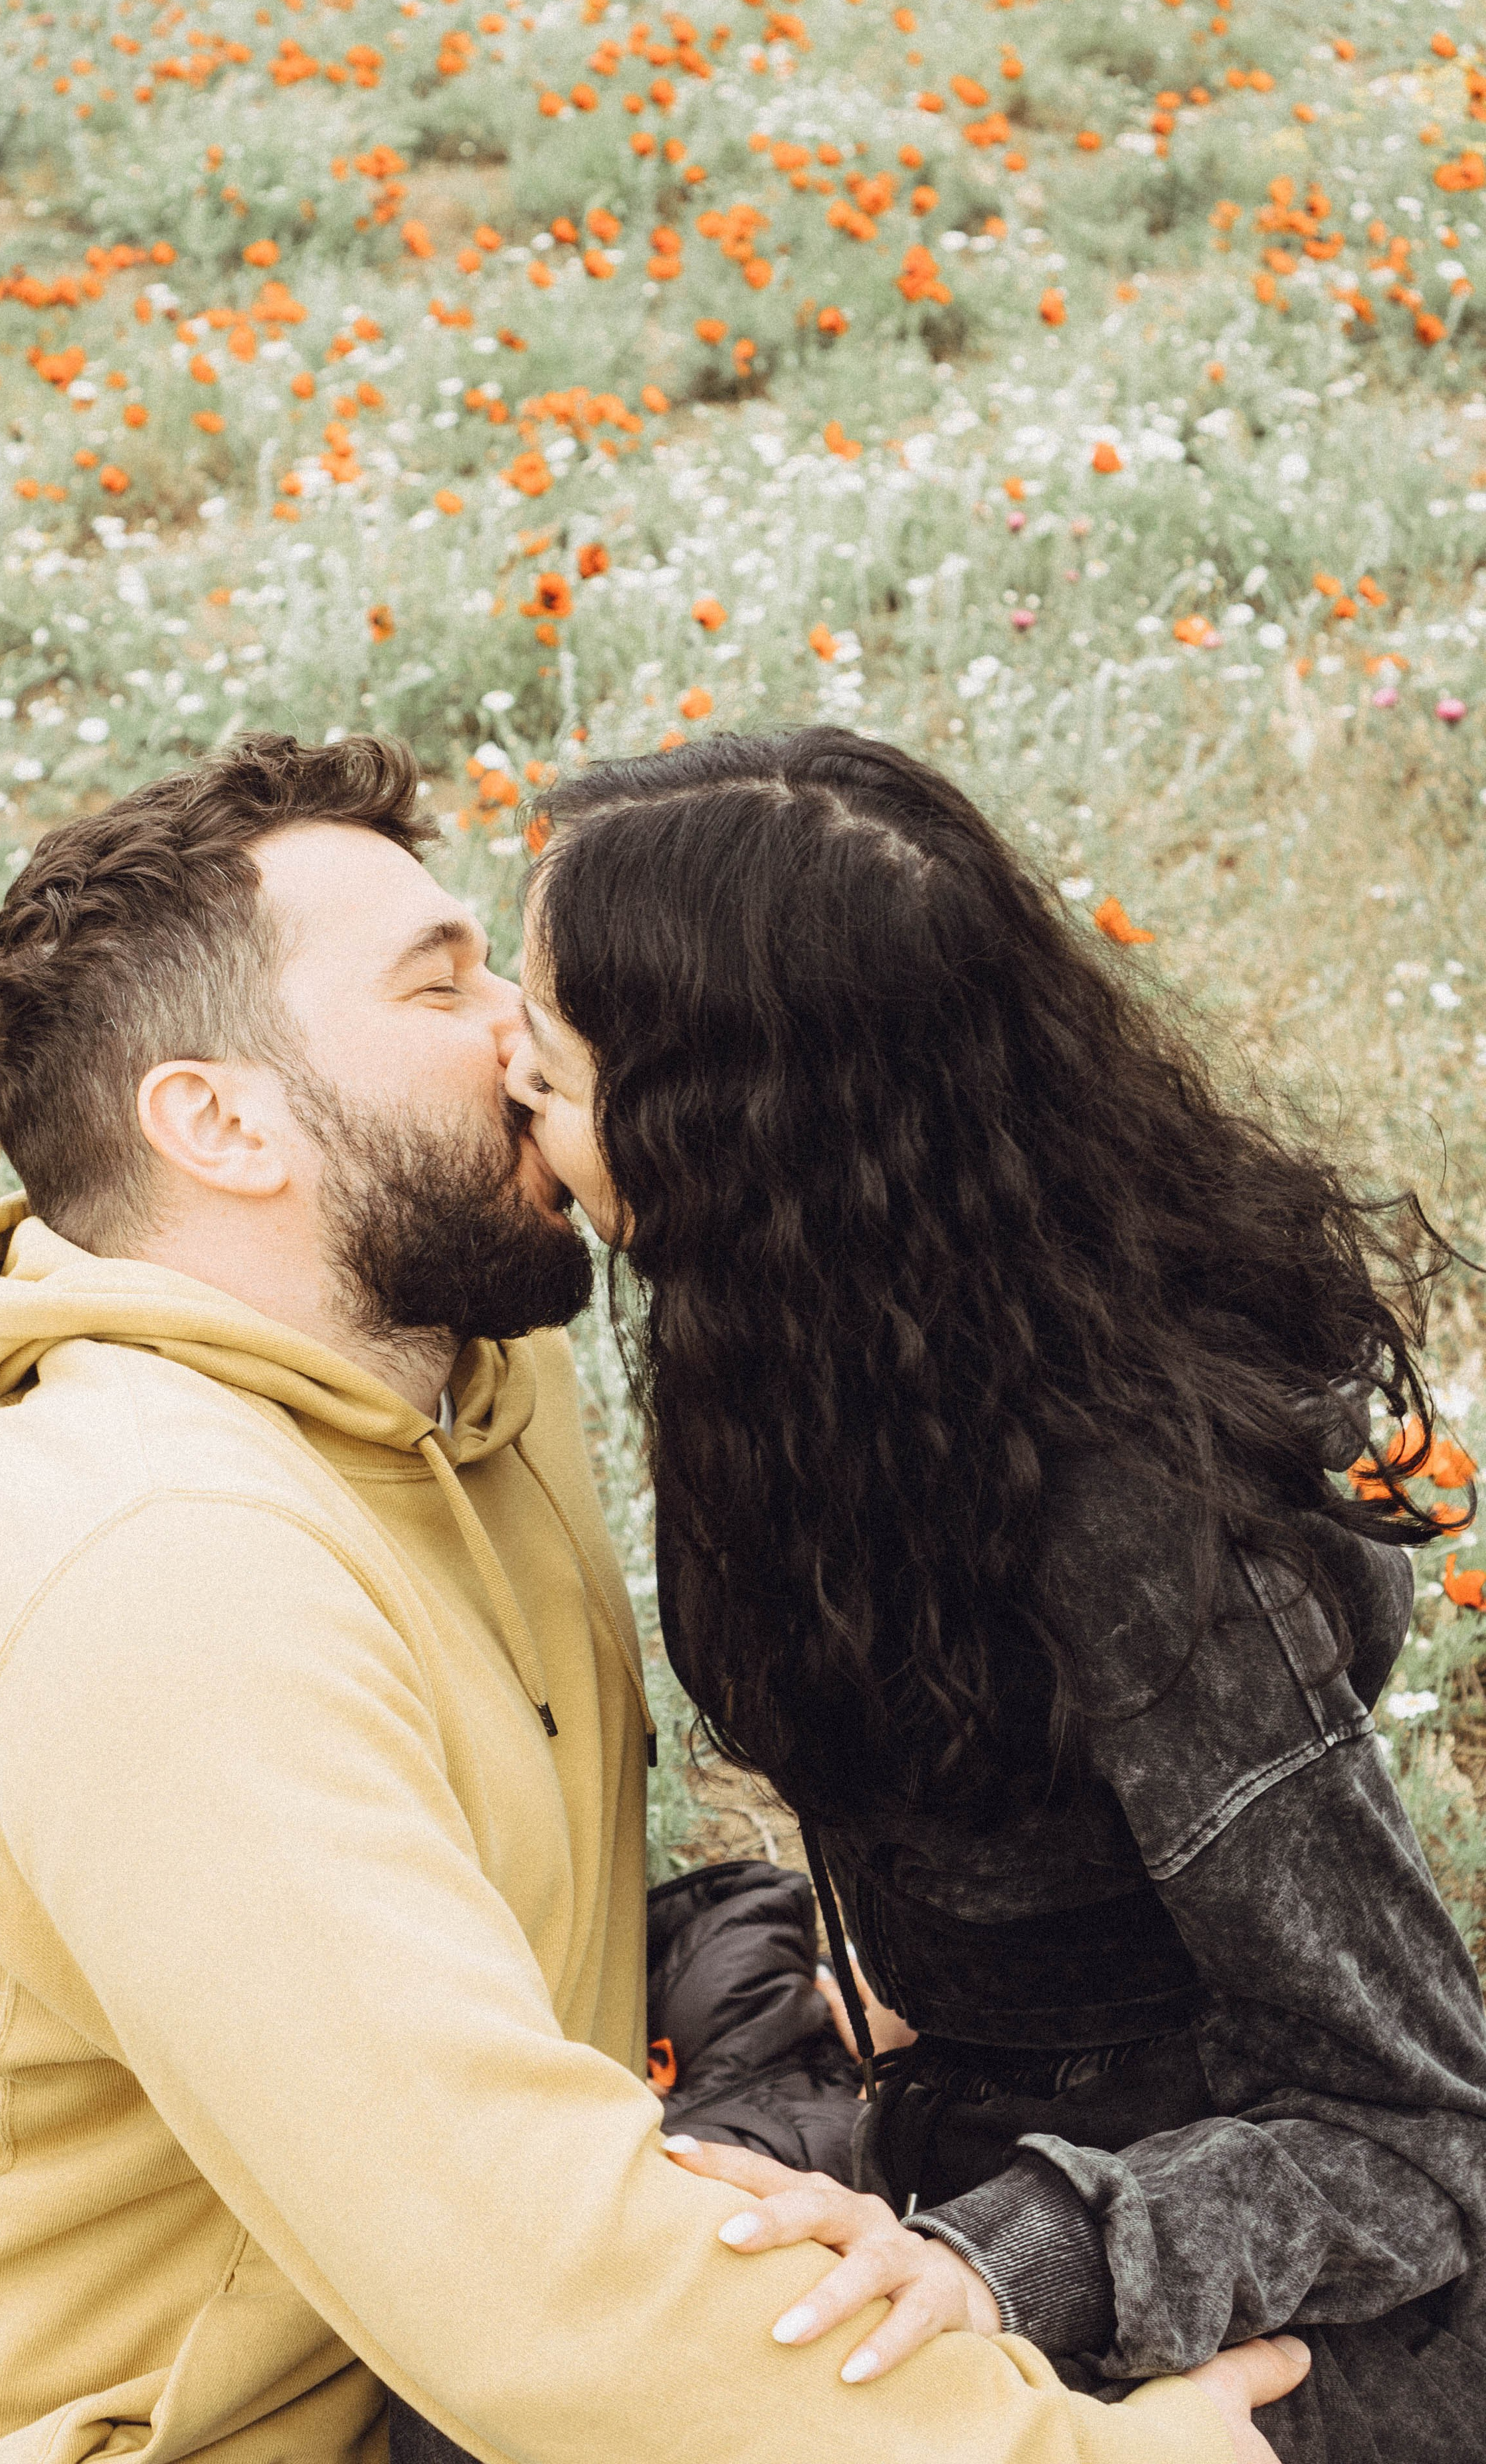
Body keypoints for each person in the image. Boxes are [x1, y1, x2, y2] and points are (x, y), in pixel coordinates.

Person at [0, 734, 1297, 2464]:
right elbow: (533, 2291)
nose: (529, 1025)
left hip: (458, 2231)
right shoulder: (157, 1574)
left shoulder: (456, 1355)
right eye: (442, 986)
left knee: (1074, 2055)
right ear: (219, 1120)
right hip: (232, 2424)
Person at [508, 725, 1486, 2464]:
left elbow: (1420, 2130)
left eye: (552, 1060)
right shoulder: (797, 1347)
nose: (502, 1079)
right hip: (942, 2092)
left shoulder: (1135, 1525)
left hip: (1197, 2237)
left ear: (727, 1139)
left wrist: (1019, 2253)